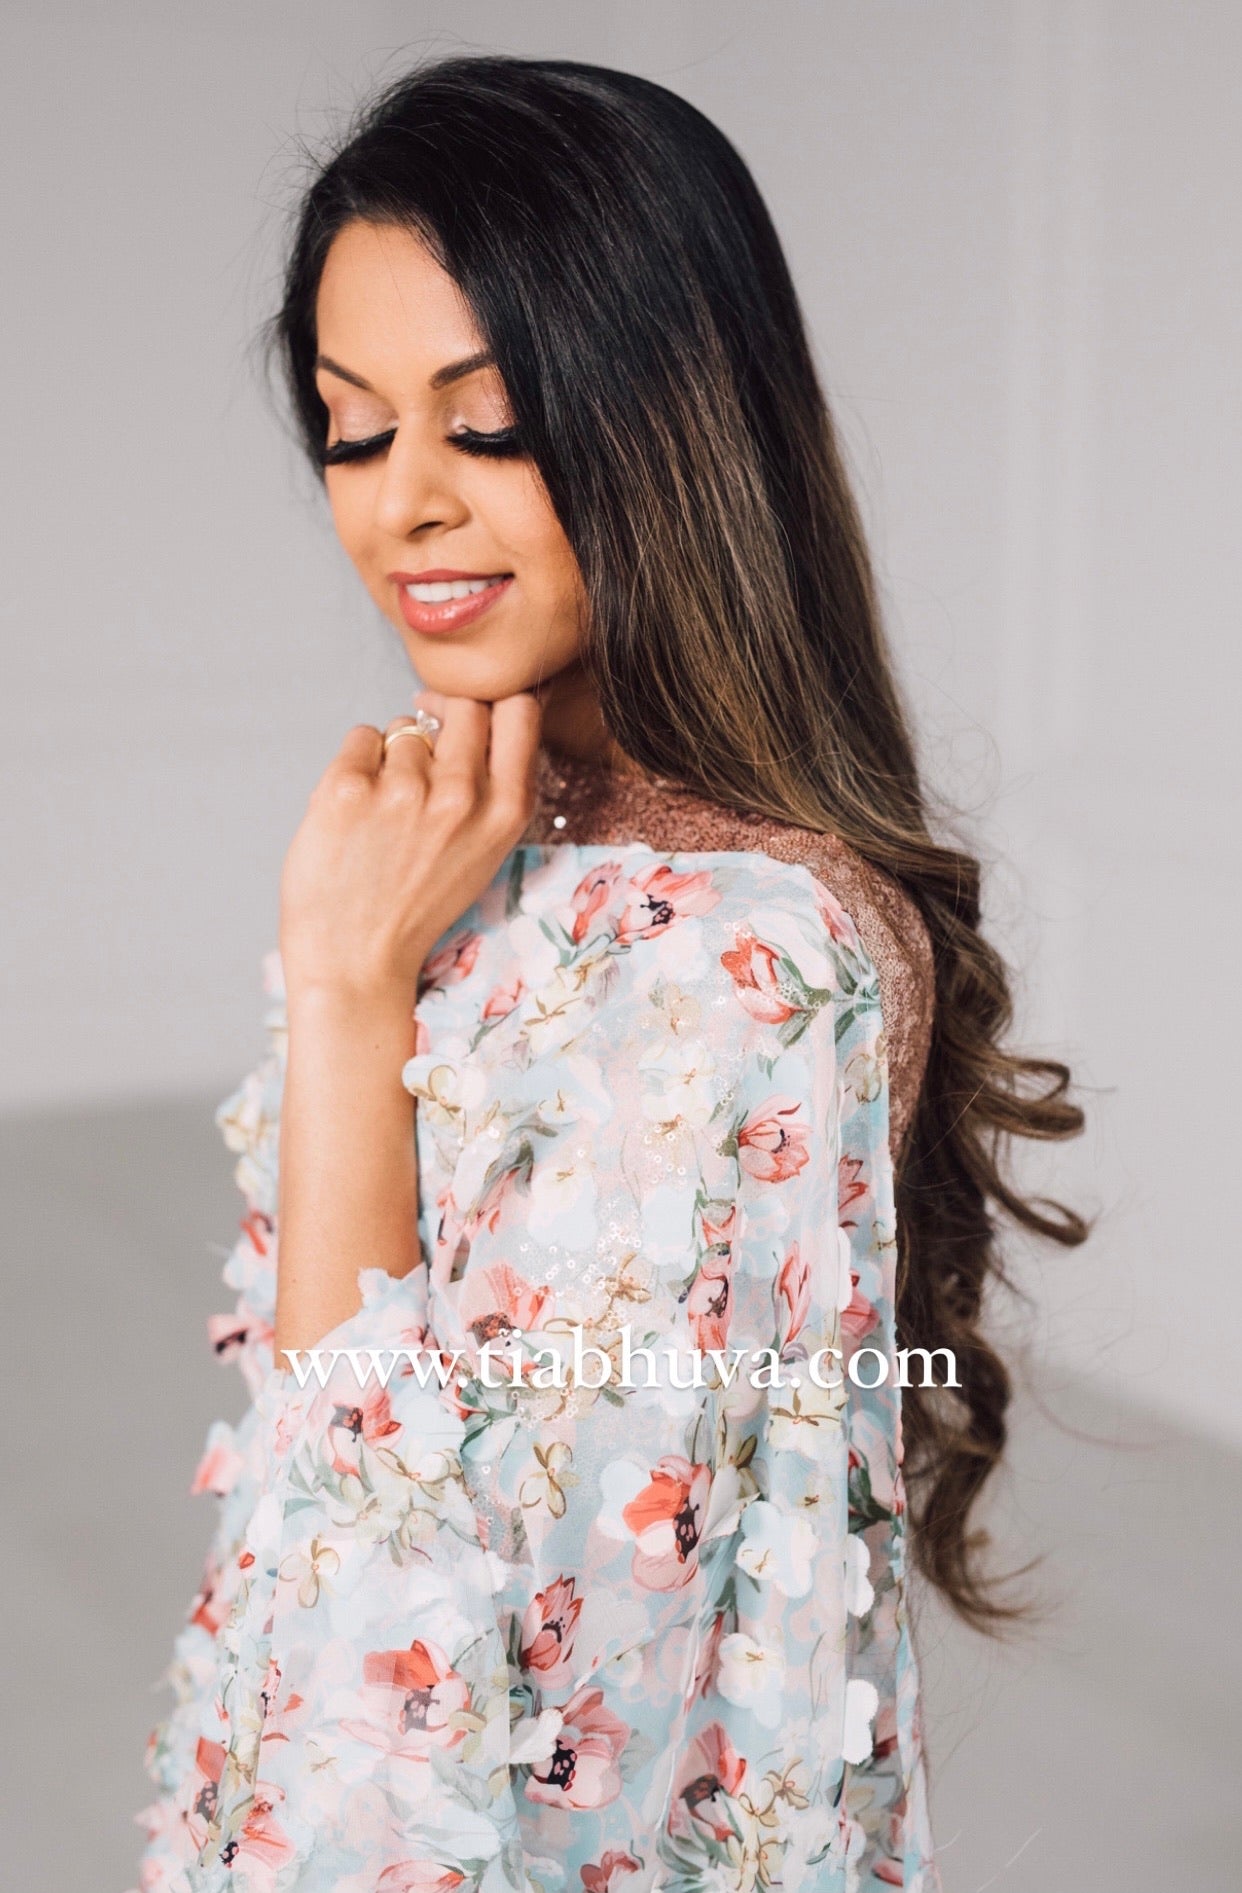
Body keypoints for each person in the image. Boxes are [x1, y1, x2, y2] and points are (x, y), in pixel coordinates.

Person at [130, 54, 1085, 1893]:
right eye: (349, 426)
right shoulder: (460, 832)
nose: (401, 505)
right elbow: (289, 1543)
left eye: (482, 425)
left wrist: (343, 1009)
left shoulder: (750, 954)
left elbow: (483, 1714)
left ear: (666, 417)